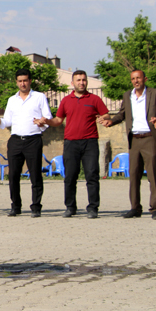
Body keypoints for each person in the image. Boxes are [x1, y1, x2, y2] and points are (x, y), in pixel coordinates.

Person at [36, 70, 109, 219]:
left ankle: (93, 207)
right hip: (71, 143)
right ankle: (70, 207)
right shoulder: (66, 100)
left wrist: (105, 118)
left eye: (84, 80)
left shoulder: (94, 99)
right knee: (70, 176)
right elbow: (58, 120)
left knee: (92, 175)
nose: (81, 82)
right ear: (72, 83)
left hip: (90, 142)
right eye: (78, 80)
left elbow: (106, 114)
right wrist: (47, 121)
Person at [98, 69, 156, 220]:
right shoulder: (127, 95)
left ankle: (155, 208)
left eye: (138, 78)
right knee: (134, 174)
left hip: (150, 138)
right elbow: (122, 114)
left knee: (153, 175)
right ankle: (135, 208)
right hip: (134, 139)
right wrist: (111, 121)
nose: (136, 81)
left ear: (145, 79)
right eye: (133, 79)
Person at [0, 69, 52, 218]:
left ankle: (36, 207)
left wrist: (43, 121)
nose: (22, 83)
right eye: (20, 81)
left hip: (33, 139)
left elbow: (47, 116)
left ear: (30, 81)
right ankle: (15, 206)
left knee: (35, 174)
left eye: (25, 80)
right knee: (13, 175)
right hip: (16, 139)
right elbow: (8, 121)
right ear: (16, 82)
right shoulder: (12, 100)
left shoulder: (39, 97)